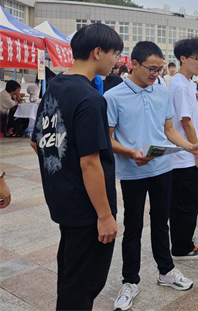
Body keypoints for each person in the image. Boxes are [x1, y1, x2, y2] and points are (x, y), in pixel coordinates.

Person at [105, 41, 198, 310]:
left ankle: (166, 270)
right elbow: (107, 138)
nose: (156, 74)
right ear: (134, 64)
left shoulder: (161, 91)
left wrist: (191, 147)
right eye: (152, 69)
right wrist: (130, 153)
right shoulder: (113, 96)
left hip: (162, 168)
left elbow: (169, 130)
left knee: (161, 221)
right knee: (133, 225)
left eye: (160, 69)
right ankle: (130, 281)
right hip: (133, 171)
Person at [30, 23, 122, 309]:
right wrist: (105, 215)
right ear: (98, 52)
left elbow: (36, 141)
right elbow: (90, 163)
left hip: (64, 200)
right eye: (115, 53)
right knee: (83, 285)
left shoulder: (55, 86)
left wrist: (61, 172)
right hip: (88, 209)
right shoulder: (90, 99)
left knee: (71, 275)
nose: (116, 60)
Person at [168, 37, 198, 261]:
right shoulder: (180, 85)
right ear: (183, 58)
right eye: (196, 58)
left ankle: (183, 243)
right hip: (185, 157)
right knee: (186, 204)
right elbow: (186, 123)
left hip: (188, 154)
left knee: (190, 202)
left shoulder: (189, 83)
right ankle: (182, 248)